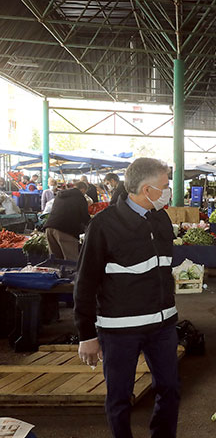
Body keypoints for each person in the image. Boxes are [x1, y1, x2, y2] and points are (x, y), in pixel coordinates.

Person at [74, 158, 179, 438]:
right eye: (165, 186)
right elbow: (85, 282)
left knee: (169, 390)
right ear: (147, 190)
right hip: (119, 330)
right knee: (120, 398)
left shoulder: (160, 218)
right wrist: (86, 335)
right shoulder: (104, 225)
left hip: (163, 325)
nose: (168, 191)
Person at [44, 181, 91, 260]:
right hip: (65, 230)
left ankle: (58, 273)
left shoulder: (60, 195)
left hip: (49, 228)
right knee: (71, 260)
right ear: (83, 190)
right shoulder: (80, 197)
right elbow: (85, 217)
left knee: (55, 260)